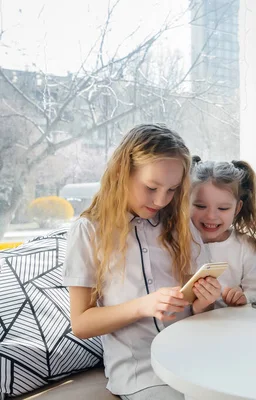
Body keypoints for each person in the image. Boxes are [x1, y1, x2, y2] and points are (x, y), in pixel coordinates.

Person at [64, 124, 222, 400]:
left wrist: (203, 303)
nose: (161, 200)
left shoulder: (180, 227)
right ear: (122, 173)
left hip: (197, 357)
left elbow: (199, 311)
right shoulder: (89, 231)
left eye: (172, 190)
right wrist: (143, 305)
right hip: (141, 372)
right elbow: (81, 323)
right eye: (151, 187)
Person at [190, 157, 256, 307]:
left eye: (223, 208)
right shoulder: (178, 242)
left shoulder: (248, 247)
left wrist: (244, 297)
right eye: (200, 206)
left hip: (233, 325)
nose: (211, 216)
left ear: (237, 208)